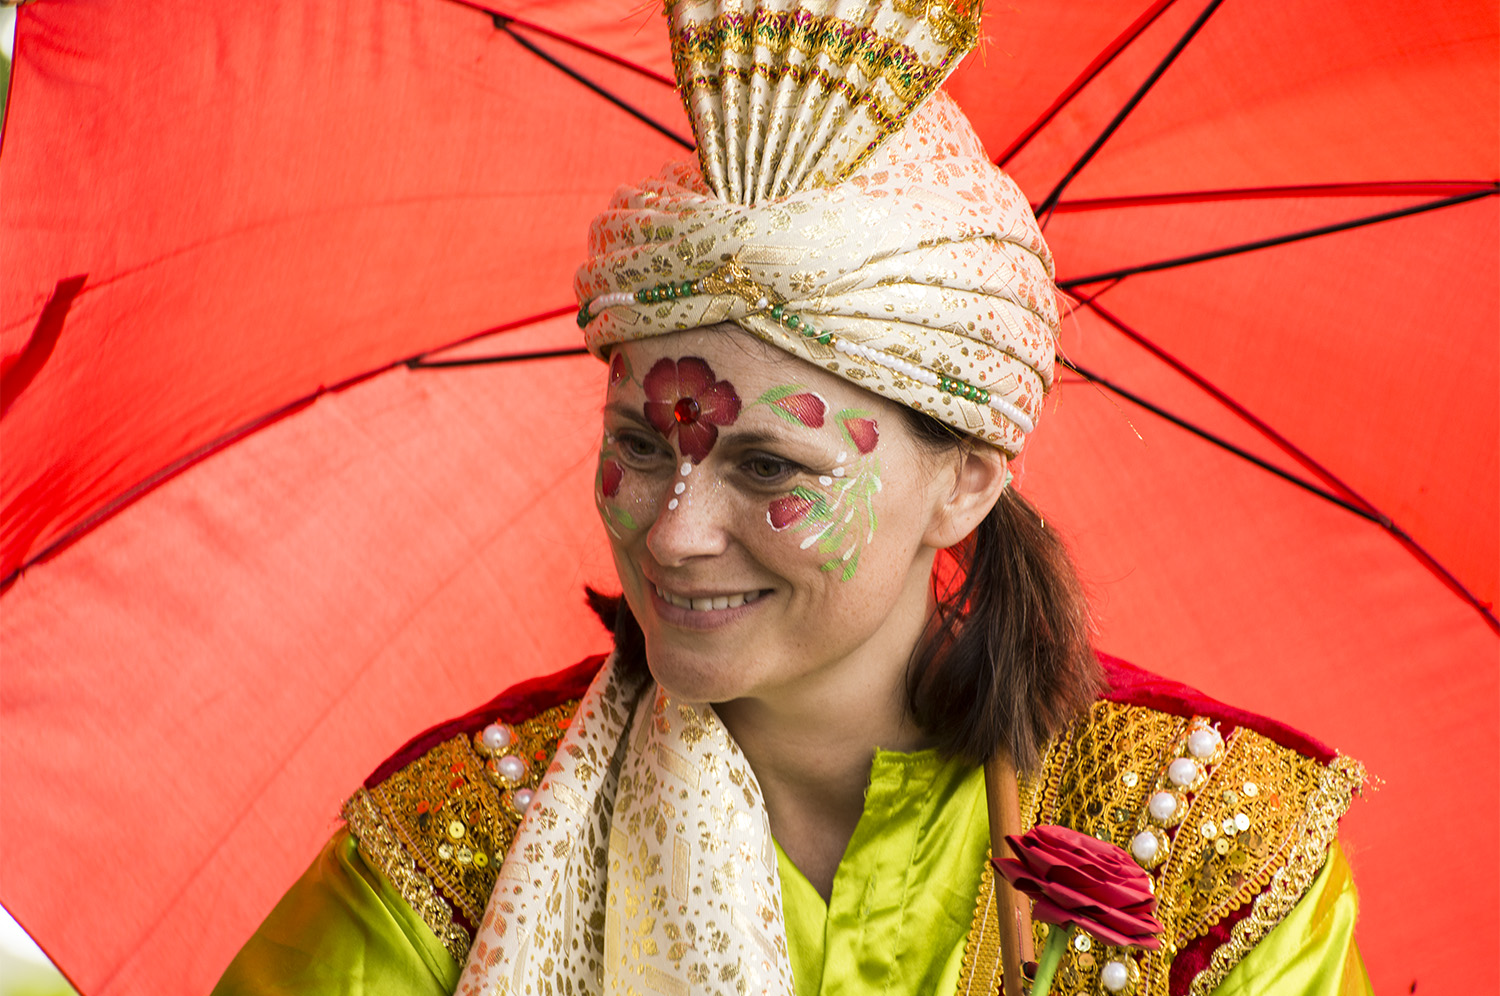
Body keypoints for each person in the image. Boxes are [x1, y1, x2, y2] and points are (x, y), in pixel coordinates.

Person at [213, 2, 1368, 993]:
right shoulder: (466, 840)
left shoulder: (1203, 839)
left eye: (770, 467)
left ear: (965, 479)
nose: (673, 530)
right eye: (640, 444)